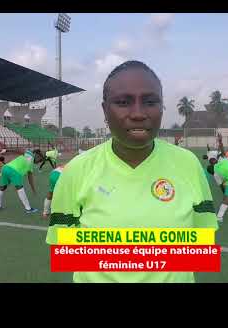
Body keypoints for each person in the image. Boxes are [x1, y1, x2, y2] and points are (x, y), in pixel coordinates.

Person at [45, 60, 218, 283]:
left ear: (161, 107)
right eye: (123, 102)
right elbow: (65, 252)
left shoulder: (188, 163)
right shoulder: (77, 170)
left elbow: (201, 244)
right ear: (105, 110)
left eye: (150, 101)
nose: (138, 113)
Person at [0, 149, 44, 213]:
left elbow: (30, 178)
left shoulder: (30, 165)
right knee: (20, 188)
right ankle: (28, 209)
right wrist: (7, 150)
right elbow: (19, 150)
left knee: (2, 187)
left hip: (6, 168)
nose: (39, 162)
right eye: (39, 160)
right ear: (36, 155)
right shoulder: (30, 154)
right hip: (15, 171)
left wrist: (33, 189)